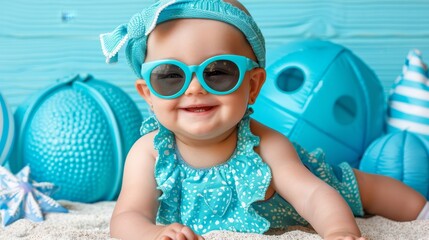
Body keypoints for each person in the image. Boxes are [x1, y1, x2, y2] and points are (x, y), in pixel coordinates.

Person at [100, 0, 429, 239]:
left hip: (319, 186)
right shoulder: (149, 153)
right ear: (147, 94)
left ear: (253, 85)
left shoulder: (266, 144)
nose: (195, 88)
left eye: (218, 73)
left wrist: (339, 231)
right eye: (170, 76)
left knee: (372, 191)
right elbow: (128, 217)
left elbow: (313, 196)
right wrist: (153, 233)